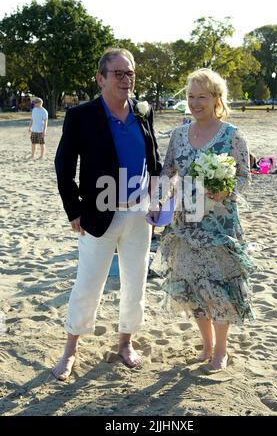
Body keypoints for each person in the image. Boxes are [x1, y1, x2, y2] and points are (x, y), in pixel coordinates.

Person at [53, 48, 162, 380]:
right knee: (88, 284)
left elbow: (154, 161)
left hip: (139, 216)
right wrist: (74, 211)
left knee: (135, 283)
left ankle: (125, 342)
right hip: (98, 214)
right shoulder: (81, 115)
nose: (126, 79)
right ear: (101, 79)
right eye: (118, 73)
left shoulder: (143, 113)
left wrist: (156, 201)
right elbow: (63, 167)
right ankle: (70, 350)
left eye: (130, 73)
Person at [149, 68, 256, 373]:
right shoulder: (179, 134)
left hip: (220, 225)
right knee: (193, 286)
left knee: (220, 286)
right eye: (191, 96)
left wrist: (226, 191)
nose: (195, 103)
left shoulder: (233, 135)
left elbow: (245, 177)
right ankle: (206, 345)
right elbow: (169, 171)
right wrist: (160, 199)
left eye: (202, 97)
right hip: (186, 224)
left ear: (216, 99)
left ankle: (221, 350)